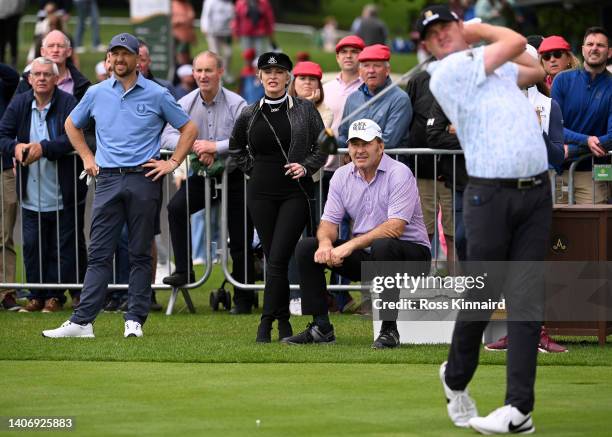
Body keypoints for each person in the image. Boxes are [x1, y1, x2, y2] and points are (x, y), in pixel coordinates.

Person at [419, 5, 551, 433]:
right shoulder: (449, 72)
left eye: (446, 26)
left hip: (535, 194)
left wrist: (471, 32)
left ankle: (519, 409)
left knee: (527, 302)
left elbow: (532, 68)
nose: (440, 35)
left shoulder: (494, 71)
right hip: (489, 197)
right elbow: (514, 41)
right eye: (432, 33)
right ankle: (455, 377)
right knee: (483, 294)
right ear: (426, 46)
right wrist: (474, 28)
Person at [42, 32, 198, 338]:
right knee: (100, 252)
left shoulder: (157, 93)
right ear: (109, 59)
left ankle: (134, 319)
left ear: (137, 59)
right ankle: (83, 321)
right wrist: (87, 156)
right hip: (108, 179)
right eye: (114, 54)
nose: (119, 59)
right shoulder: (97, 92)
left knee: (140, 252)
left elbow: (189, 128)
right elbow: (71, 125)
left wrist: (173, 162)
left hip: (144, 177)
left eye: (125, 54)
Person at [282, 119, 431, 347]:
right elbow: (328, 224)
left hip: (411, 256)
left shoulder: (399, 173)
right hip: (370, 254)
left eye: (366, 144)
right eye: (354, 144)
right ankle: (321, 328)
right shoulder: (342, 176)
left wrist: (350, 245)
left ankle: (389, 331)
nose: (359, 150)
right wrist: (324, 244)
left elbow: (395, 227)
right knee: (307, 247)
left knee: (384, 245)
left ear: (380, 146)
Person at [229, 51, 327, 342]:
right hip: (260, 192)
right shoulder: (248, 112)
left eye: (280, 72)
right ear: (259, 78)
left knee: (279, 256)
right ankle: (282, 321)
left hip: (294, 193)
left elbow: (325, 145)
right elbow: (236, 148)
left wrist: (306, 166)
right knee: (275, 258)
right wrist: (253, 169)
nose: (273, 76)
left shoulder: (305, 109)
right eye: (267, 72)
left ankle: (265, 322)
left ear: (288, 78)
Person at [162, 51, 256, 314]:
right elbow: (166, 136)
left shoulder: (238, 103)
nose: (203, 76)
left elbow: (248, 138)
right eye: (199, 71)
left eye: (208, 70)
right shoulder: (184, 102)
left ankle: (244, 296)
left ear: (220, 72)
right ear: (193, 74)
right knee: (176, 209)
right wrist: (194, 146)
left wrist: (215, 146)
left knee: (240, 236)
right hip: (202, 175)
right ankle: (184, 270)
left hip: (234, 176)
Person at [0, 57, 86, 313]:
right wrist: (14, 147)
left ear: (57, 79)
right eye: (36, 74)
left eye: (47, 74)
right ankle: (36, 295)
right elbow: (2, 134)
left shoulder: (68, 102)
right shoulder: (20, 102)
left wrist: (44, 148)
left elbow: (74, 138)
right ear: (29, 79)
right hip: (30, 193)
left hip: (63, 191)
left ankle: (55, 297)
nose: (41, 78)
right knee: (32, 245)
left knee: (62, 248)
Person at [551, 27, 612, 205]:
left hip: (594, 172)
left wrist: (573, 150)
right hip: (559, 173)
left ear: (609, 52)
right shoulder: (562, 80)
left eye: (600, 45)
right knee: (559, 230)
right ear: (583, 49)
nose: (594, 48)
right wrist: (586, 140)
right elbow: (553, 126)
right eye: (590, 44)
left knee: (594, 229)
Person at [338, 44, 412, 149]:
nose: (371, 70)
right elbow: (344, 135)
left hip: (389, 164)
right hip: (357, 164)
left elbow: (389, 141)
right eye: (366, 65)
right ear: (360, 71)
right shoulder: (352, 98)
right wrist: (331, 142)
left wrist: (354, 148)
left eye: (377, 65)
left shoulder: (400, 99)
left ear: (387, 70)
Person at [0, 62, 21, 310]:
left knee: (4, 233)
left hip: (3, 167)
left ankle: (6, 292)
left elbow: (12, 76)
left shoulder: (3, 87)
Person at [201, 0, 234, 82]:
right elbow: (205, 15)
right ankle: (216, 76)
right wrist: (204, 28)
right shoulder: (210, 2)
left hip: (226, 32)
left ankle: (225, 73)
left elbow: (232, 16)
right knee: (215, 54)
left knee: (228, 53)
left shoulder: (228, 2)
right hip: (213, 33)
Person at [0, 0, 26, 67]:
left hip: (13, 14)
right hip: (1, 15)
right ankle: (1, 59)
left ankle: (14, 59)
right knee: (2, 39)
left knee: (13, 38)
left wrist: (19, 12)